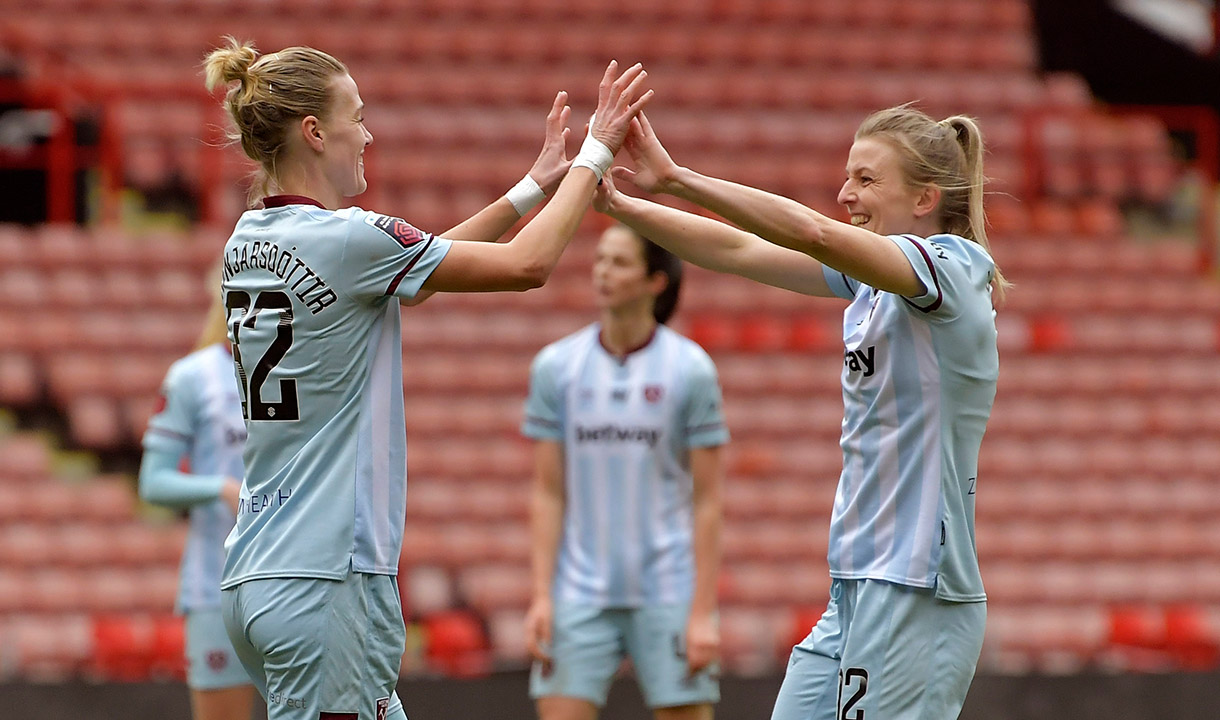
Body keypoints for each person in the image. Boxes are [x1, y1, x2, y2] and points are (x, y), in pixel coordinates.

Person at [202, 35, 651, 720]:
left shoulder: (248, 240)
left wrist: (533, 187)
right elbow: (526, 266)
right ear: (316, 132)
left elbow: (413, 269)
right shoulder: (347, 238)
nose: (368, 131)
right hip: (327, 578)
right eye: (358, 114)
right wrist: (596, 153)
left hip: (261, 570)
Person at [593, 106, 1005, 720]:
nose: (846, 194)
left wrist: (677, 178)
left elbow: (811, 231)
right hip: (857, 580)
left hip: (916, 585)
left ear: (925, 196)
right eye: (848, 177)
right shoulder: (871, 283)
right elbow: (737, 249)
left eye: (866, 180)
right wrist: (621, 207)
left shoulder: (951, 268)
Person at [522, 223, 729, 720]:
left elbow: (708, 500)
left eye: (618, 262)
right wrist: (540, 596)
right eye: (599, 261)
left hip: (668, 589)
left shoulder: (691, 369)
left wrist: (701, 612)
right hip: (578, 591)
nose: (602, 273)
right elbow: (548, 492)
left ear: (656, 280)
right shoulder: (556, 366)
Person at [139, 282, 255, 720]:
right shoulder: (193, 375)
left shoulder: (309, 370)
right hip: (216, 584)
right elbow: (153, 483)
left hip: (296, 580)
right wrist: (220, 488)